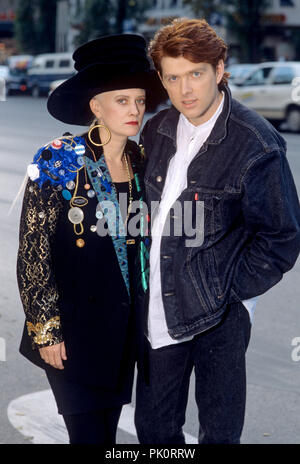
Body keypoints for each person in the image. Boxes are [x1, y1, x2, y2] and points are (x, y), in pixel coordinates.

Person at [134, 18, 300, 444]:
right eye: (173, 77)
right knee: (153, 430)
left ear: (220, 69)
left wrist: (228, 291)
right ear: (162, 79)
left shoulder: (256, 143)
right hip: (159, 310)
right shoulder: (158, 129)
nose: (185, 89)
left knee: (220, 433)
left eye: (196, 73)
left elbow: (281, 237)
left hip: (219, 316)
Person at [16, 33, 166, 445]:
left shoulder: (143, 162)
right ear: (95, 106)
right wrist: (46, 330)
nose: (135, 110)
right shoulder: (57, 158)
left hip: (121, 334)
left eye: (139, 99)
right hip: (72, 334)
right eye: (121, 100)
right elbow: (33, 251)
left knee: (108, 440)